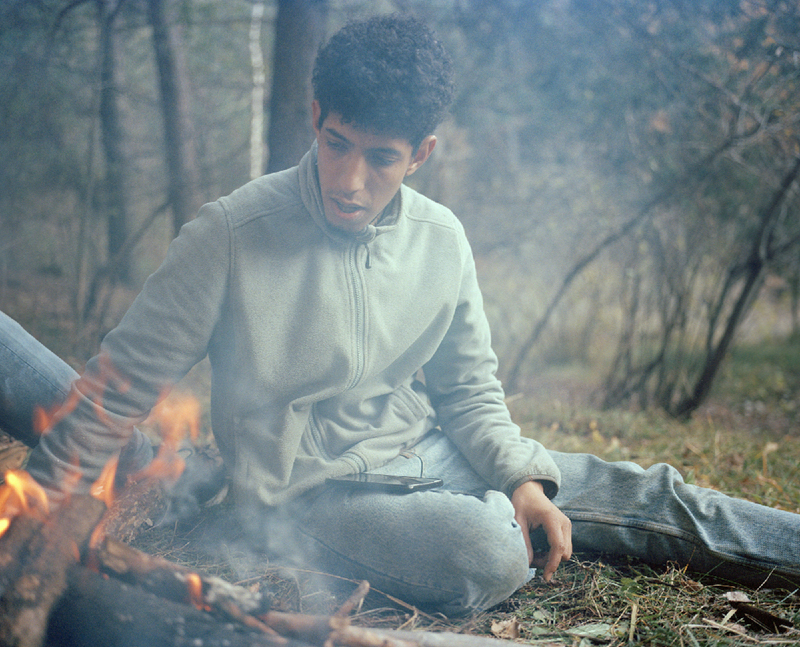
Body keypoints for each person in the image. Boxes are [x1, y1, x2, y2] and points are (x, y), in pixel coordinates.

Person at [1, 14, 798, 616]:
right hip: (308, 495)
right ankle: (248, 510)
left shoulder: (442, 237)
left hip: (436, 453)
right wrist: (23, 526)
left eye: (380, 157)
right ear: (316, 116)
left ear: (421, 153)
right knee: (484, 551)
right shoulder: (231, 234)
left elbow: (471, 393)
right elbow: (115, 389)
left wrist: (520, 477)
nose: (349, 178)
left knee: (652, 493)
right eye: (337, 142)